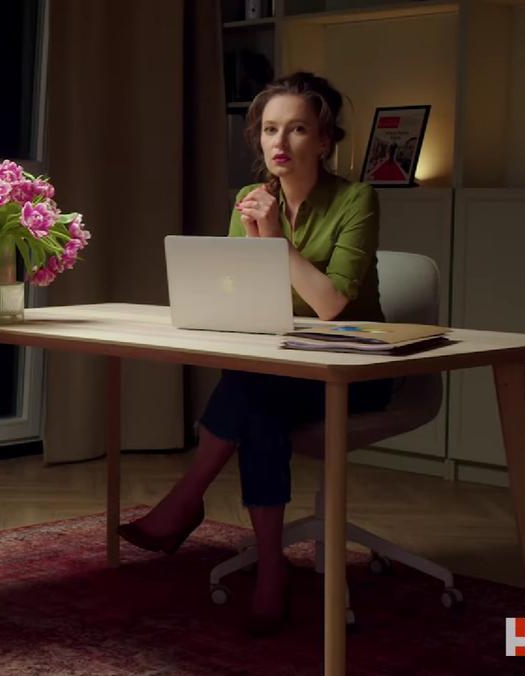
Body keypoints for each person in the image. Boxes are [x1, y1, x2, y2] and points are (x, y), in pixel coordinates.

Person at [117, 71, 392, 636]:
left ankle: (188, 503)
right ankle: (270, 567)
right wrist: (245, 248)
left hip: (354, 369)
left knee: (253, 390)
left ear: (324, 140)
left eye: (297, 129)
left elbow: (331, 305)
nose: (279, 142)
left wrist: (275, 242)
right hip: (279, 368)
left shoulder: (356, 199)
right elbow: (238, 297)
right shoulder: (250, 198)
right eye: (269, 129)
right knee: (259, 401)